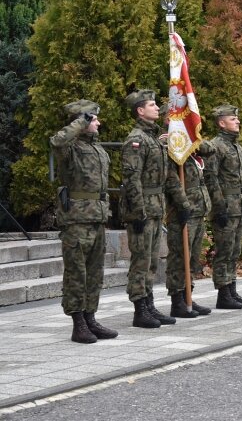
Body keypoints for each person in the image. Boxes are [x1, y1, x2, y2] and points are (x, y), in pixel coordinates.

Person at [51, 100, 118, 343]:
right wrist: (81, 121)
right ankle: (78, 323)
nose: (98, 122)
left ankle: (90, 317)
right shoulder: (70, 148)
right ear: (82, 121)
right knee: (76, 273)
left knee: (94, 273)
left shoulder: (97, 148)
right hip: (76, 220)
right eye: (93, 119)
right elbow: (57, 140)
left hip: (97, 217)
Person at [122, 89, 190, 328]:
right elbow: (132, 180)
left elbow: (168, 176)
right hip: (143, 210)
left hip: (156, 207)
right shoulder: (136, 140)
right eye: (151, 104)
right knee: (141, 261)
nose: (156, 108)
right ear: (140, 110)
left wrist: (182, 203)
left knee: (151, 262)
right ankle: (139, 309)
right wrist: (138, 211)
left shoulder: (154, 139)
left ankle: (149, 304)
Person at [161, 102, 214, 319]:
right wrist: (182, 204)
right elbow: (170, 180)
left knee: (191, 258)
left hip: (198, 210)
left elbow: (210, 149)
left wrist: (190, 138)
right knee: (178, 257)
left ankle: (188, 295)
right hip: (182, 210)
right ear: (167, 121)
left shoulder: (189, 144)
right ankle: (177, 300)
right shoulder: (166, 145)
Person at [204, 104, 242, 308]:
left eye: (237, 119)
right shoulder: (216, 146)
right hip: (225, 206)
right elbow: (211, 178)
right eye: (233, 119)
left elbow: (240, 180)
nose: (238, 122)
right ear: (221, 123)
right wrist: (219, 206)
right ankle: (223, 293)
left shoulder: (236, 147)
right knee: (224, 250)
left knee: (234, 250)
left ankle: (232, 289)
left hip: (238, 205)